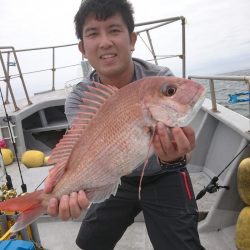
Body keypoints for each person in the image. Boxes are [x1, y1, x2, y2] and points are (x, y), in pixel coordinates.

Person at [44, 0, 204, 249]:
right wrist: (64, 185)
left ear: (132, 39)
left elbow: (186, 151)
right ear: (82, 48)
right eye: (93, 33)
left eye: (114, 30)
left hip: (165, 175)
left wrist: (175, 158)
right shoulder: (81, 96)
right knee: (89, 243)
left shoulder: (159, 79)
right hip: (114, 178)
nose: (105, 42)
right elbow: (83, 151)